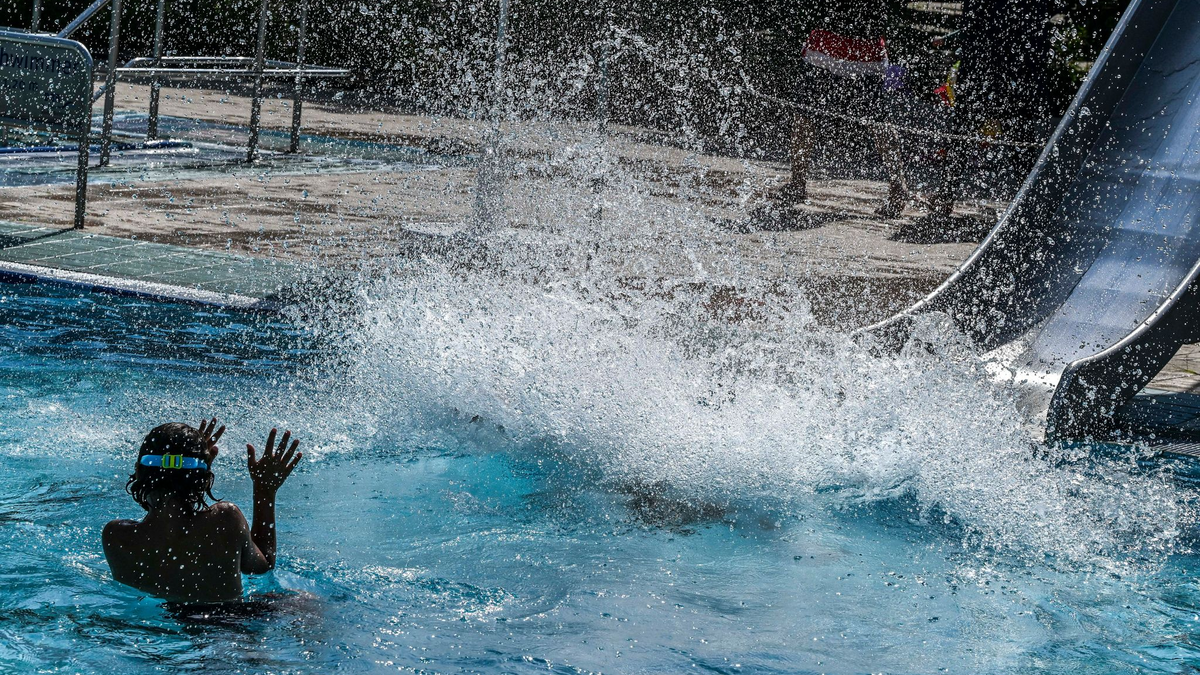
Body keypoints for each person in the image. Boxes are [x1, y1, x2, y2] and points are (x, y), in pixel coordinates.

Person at [102, 419, 303, 604]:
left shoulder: (116, 537)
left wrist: (197, 472)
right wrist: (264, 490)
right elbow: (263, 566)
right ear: (203, 478)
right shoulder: (225, 519)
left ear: (139, 471)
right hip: (227, 628)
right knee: (305, 600)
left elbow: (168, 528)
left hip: (155, 629)